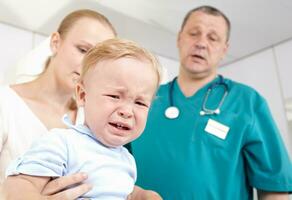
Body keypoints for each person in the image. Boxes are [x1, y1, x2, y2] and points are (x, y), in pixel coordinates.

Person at [129, 5, 292, 200]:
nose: (201, 43)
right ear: (180, 38)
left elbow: (275, 189)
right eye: (194, 33)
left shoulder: (246, 102)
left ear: (224, 49)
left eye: (212, 38)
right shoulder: (146, 98)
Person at [2, 38, 162, 199]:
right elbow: (18, 184)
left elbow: (119, 189)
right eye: (114, 96)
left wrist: (142, 195)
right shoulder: (62, 143)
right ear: (83, 95)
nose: (127, 111)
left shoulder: (126, 159)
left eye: (140, 103)